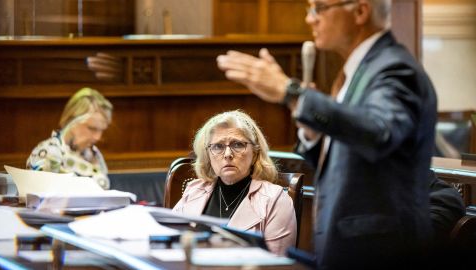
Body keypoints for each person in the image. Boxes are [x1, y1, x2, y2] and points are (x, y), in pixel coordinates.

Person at [217, 0, 437, 268]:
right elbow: (354, 145)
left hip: (381, 254)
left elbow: (380, 132)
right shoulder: (358, 72)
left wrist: (292, 94)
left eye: (319, 7)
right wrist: (314, 134)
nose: (311, 19)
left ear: (360, 11)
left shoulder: (394, 68)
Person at [172, 110, 297, 256]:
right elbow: (169, 243)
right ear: (208, 155)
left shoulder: (275, 199)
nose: (227, 154)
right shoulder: (194, 190)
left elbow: (275, 265)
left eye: (237, 145)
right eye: (218, 146)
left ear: (255, 153)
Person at [27, 87, 113, 189]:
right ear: (71, 120)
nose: (98, 137)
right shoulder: (48, 152)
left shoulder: (93, 154)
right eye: (92, 128)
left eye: (101, 130)